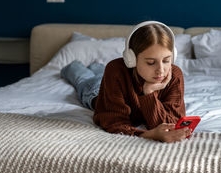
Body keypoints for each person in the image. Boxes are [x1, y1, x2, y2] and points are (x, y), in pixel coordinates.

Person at [61, 21, 190, 143]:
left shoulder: (174, 75)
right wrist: (150, 134)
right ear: (131, 59)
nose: (161, 71)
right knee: (84, 80)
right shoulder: (115, 70)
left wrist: (148, 92)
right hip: (96, 93)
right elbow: (114, 122)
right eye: (151, 63)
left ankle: (96, 66)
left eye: (166, 61)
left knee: (100, 73)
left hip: (115, 81)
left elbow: (170, 125)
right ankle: (72, 66)